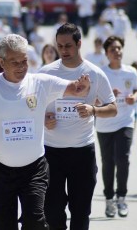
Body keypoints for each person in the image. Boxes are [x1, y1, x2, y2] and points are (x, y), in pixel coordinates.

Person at [0, 34, 92, 230]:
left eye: (24, 61)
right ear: (2, 62)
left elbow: (74, 88)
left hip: (33, 169)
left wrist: (82, 86)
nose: (21, 66)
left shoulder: (40, 83)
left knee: (35, 222)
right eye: (14, 62)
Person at [39, 23, 117, 230]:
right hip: (51, 152)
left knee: (81, 210)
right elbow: (29, 107)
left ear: (79, 44)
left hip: (82, 151)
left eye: (68, 46)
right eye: (60, 46)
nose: (63, 51)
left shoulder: (95, 73)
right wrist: (44, 119)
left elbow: (113, 108)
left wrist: (93, 110)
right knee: (52, 211)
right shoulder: (46, 73)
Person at [95, 36, 137, 218]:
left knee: (123, 159)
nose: (117, 51)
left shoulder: (131, 72)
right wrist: (108, 97)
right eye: (113, 49)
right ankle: (109, 200)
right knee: (108, 162)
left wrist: (135, 98)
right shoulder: (100, 73)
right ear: (106, 53)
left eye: (119, 48)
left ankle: (121, 197)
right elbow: (94, 100)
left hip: (125, 121)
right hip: (105, 124)